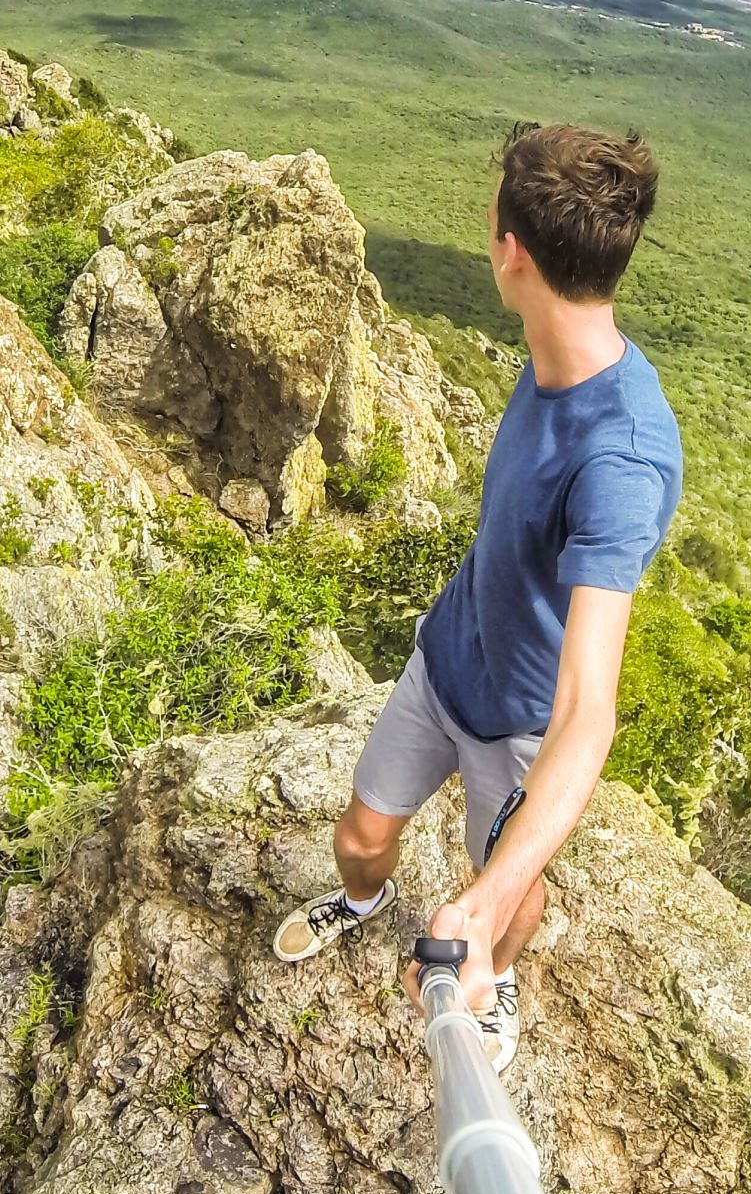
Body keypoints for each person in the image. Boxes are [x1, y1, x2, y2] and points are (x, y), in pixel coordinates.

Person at [272, 121, 683, 1071]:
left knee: (508, 882)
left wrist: (485, 902)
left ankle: (497, 982)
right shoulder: (550, 355)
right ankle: (363, 903)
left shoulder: (622, 457)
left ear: (510, 252)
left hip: (522, 727)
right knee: (361, 837)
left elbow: (588, 712)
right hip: (444, 661)